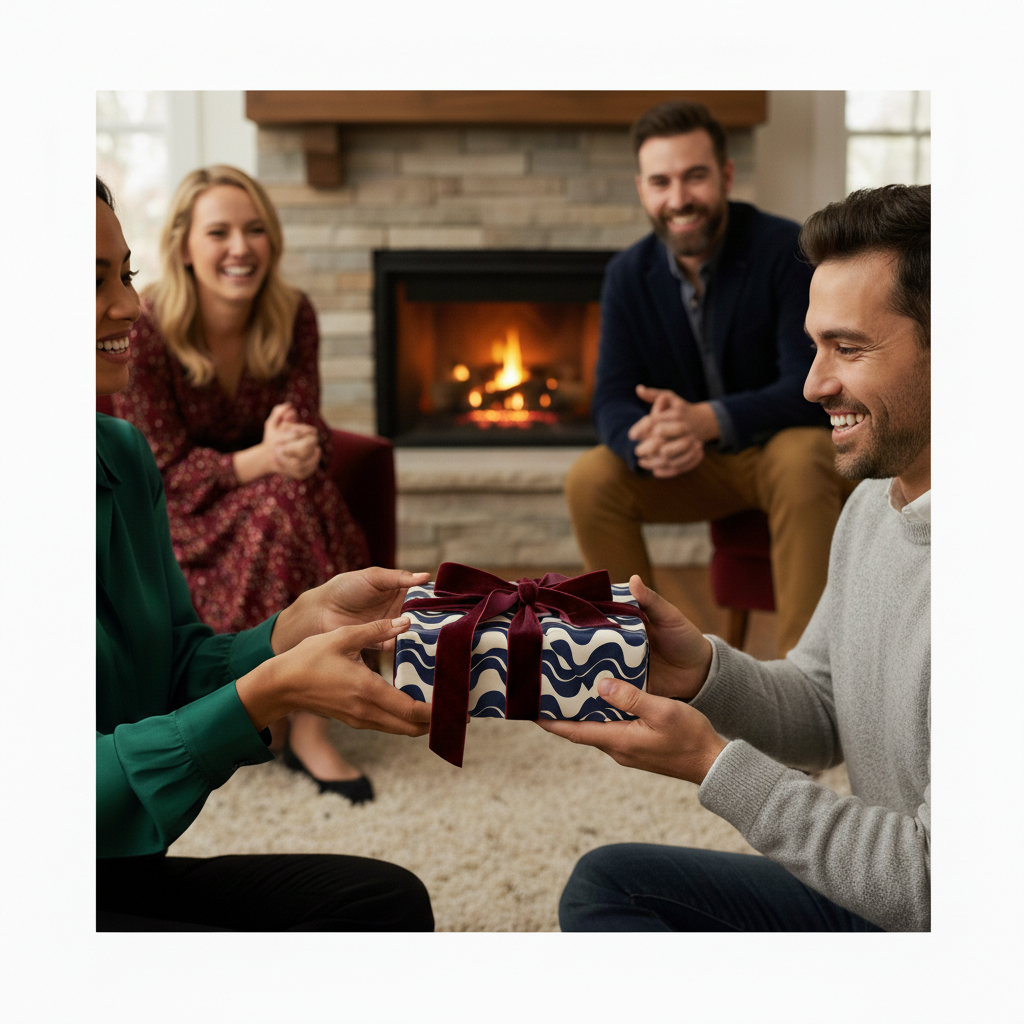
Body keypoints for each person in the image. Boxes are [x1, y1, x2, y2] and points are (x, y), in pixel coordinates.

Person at [541, 184, 931, 932]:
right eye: (816, 345)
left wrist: (714, 764)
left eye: (847, 348)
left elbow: (934, 884)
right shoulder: (872, 512)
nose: (814, 384)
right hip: (887, 899)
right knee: (607, 886)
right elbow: (822, 704)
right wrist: (703, 675)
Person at [96, 176, 434, 930]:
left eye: (124, 276)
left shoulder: (117, 456)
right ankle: (301, 720)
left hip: (113, 875)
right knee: (279, 498)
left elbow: (177, 663)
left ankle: (316, 666)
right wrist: (261, 697)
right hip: (201, 513)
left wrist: (290, 629)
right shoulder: (153, 347)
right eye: (92, 281)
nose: (128, 305)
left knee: (390, 903)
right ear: (186, 244)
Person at [113, 165, 373, 801]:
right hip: (183, 515)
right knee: (282, 501)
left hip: (282, 501)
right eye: (220, 231)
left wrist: (299, 446)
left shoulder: (294, 315)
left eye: (255, 229)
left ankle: (299, 715)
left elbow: (309, 427)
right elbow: (161, 468)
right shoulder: (147, 329)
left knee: (289, 497)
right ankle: (291, 703)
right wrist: (260, 460)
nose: (240, 247)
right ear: (184, 247)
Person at [565, 101, 856, 656]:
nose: (679, 199)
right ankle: (629, 657)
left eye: (694, 176)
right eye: (661, 182)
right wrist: (647, 441)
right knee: (590, 480)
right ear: (642, 189)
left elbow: (809, 383)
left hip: (776, 451)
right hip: (691, 464)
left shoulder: (785, 250)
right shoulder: (627, 274)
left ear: (724, 176)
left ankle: (812, 675)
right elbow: (610, 397)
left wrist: (706, 421)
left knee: (801, 459)